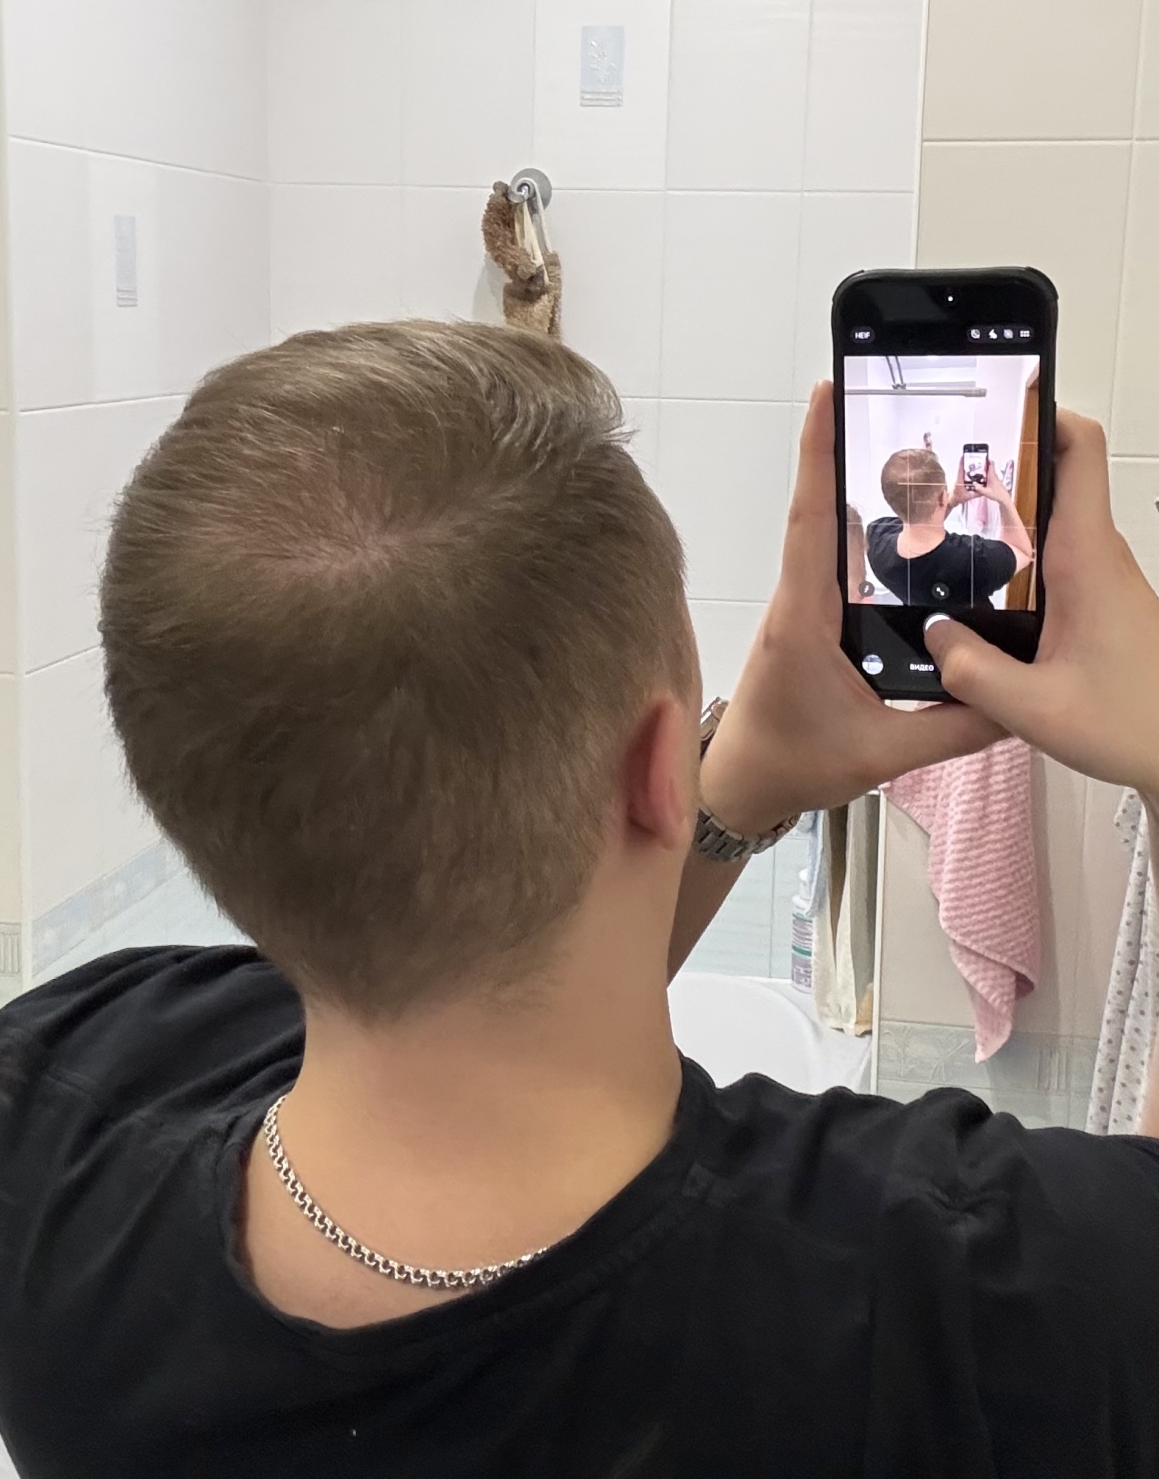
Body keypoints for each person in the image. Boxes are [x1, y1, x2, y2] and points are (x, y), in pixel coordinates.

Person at [0, 322, 1157, 1478]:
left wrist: (734, 788)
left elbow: (499, 982)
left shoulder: (56, 1100)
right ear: (660, 768)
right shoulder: (991, 1298)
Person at [867, 446, 1035, 608]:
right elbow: (1023, 552)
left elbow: (920, 523)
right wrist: (1003, 498)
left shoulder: (875, 538)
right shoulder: (975, 561)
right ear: (942, 497)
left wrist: (952, 500)